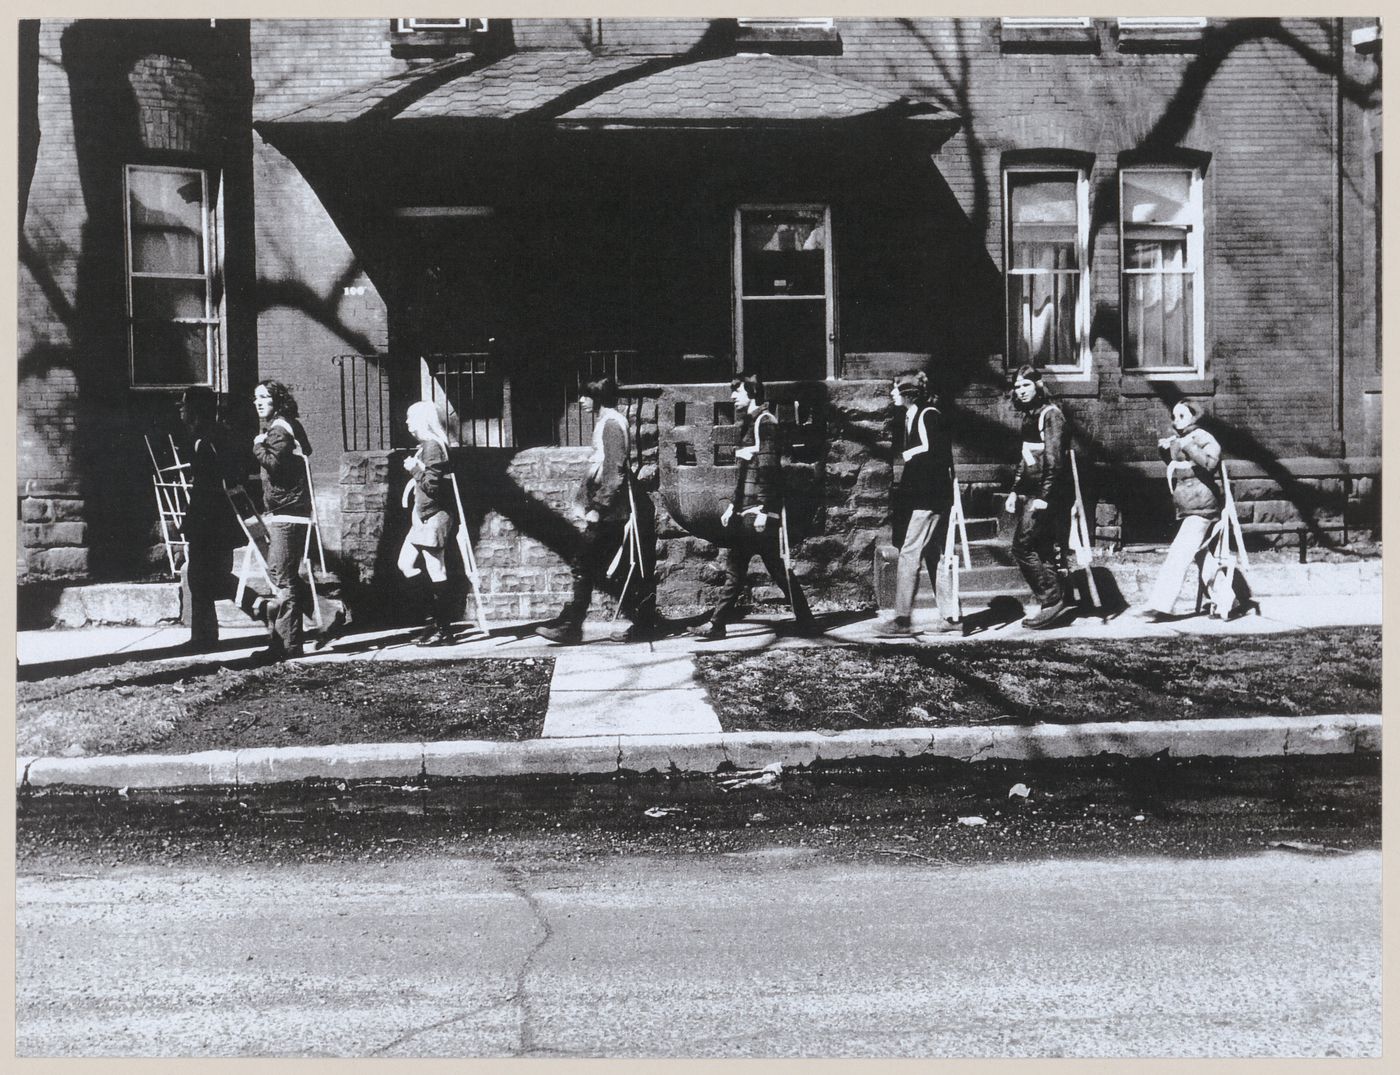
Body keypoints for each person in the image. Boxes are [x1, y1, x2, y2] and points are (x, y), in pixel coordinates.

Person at [691, 374, 819, 640]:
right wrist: (732, 507)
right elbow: (745, 474)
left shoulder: (765, 423)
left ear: (751, 392)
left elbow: (770, 469)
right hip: (747, 512)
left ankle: (718, 624)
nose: (732, 396)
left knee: (756, 570)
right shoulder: (749, 424)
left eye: (737, 391)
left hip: (758, 514)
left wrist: (765, 510)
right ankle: (805, 621)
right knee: (757, 570)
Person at [536, 377, 660, 645]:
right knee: (603, 565)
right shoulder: (609, 422)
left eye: (585, 395)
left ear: (599, 397)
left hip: (610, 513)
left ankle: (573, 626)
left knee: (587, 562)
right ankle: (642, 622)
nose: (580, 401)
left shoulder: (612, 424)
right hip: (610, 511)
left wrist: (599, 508)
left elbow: (614, 472)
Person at [1143, 400, 1256, 620]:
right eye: (1174, 416)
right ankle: (1227, 600)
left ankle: (1159, 604)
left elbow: (1211, 463)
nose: (1176, 421)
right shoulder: (1182, 439)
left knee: (1178, 554)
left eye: (1182, 416)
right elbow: (1178, 467)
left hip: (1202, 507)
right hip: (1188, 507)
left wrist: (1187, 446)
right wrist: (1165, 450)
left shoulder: (1203, 437)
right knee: (1202, 556)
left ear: (1194, 418)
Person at [874, 370, 959, 638]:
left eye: (895, 389)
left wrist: (928, 500)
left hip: (930, 498)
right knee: (932, 554)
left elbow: (937, 458)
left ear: (908, 393)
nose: (891, 394)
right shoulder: (913, 416)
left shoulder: (928, 415)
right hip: (924, 498)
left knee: (909, 553)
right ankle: (952, 617)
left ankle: (902, 619)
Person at [1004, 365, 1075, 630]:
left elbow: (1055, 461)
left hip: (1049, 493)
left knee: (1022, 546)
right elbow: (1026, 459)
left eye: (1026, 385)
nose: (1021, 391)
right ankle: (1054, 603)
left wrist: (1044, 496)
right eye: (1018, 386)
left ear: (1039, 385)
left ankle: (1052, 599)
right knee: (1041, 547)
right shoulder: (1029, 416)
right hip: (1034, 491)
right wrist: (1014, 491)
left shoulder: (1050, 415)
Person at [251, 379, 314, 660]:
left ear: (276, 400)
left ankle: (287, 645)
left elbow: (276, 465)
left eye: (264, 397)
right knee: (286, 575)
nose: (258, 402)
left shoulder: (277, 430)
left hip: (287, 513)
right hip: (294, 511)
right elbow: (305, 454)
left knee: (281, 577)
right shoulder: (288, 425)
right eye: (256, 398)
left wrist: (258, 447)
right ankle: (329, 612)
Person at [176, 386, 243, 651]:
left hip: (209, 518)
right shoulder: (213, 434)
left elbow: (222, 476)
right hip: (214, 517)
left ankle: (205, 636)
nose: (180, 409)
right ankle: (204, 635)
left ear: (195, 409)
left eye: (184, 404)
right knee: (207, 577)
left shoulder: (207, 438)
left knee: (202, 577)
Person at [398, 400, 461, 647]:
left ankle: (443, 629)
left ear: (423, 420)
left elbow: (432, 486)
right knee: (405, 564)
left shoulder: (433, 447)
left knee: (437, 570)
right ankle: (433, 621)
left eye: (410, 418)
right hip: (423, 518)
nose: (406, 422)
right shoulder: (426, 447)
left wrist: (414, 469)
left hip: (434, 517)